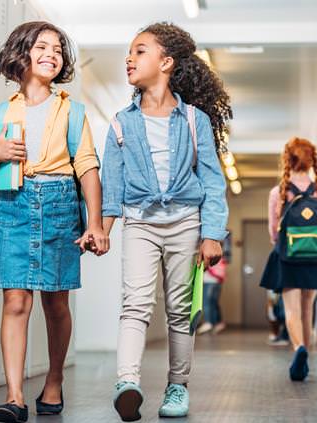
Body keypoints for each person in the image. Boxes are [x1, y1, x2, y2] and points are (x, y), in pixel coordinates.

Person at [0, 21, 108, 422]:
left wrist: (94, 223)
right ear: (21, 52)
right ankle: (14, 397)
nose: (52, 54)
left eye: (58, 49)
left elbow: (87, 169)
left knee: (56, 302)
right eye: (42, 46)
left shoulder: (73, 111)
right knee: (15, 300)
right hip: (15, 203)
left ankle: (54, 379)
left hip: (61, 203)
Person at [100, 22, 231, 421]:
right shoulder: (122, 123)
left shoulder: (194, 120)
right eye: (130, 52)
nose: (129, 58)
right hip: (140, 222)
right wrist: (101, 231)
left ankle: (177, 387)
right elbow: (112, 185)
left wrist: (212, 235)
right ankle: (127, 382)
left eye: (139, 51)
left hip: (184, 223)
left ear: (166, 62)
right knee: (135, 305)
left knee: (178, 308)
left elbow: (211, 180)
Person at [260, 137, 317, 382]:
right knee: (307, 310)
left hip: (288, 258)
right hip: (315, 259)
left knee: (291, 310)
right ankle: (307, 359)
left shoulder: (279, 192)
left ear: (287, 160)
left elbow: (274, 232)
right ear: (311, 160)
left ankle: (299, 350)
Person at [198, 257, 227, 335]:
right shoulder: (221, 257)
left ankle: (208, 322)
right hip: (217, 282)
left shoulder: (209, 255)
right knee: (214, 304)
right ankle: (217, 324)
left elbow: (205, 266)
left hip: (209, 281)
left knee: (206, 303)